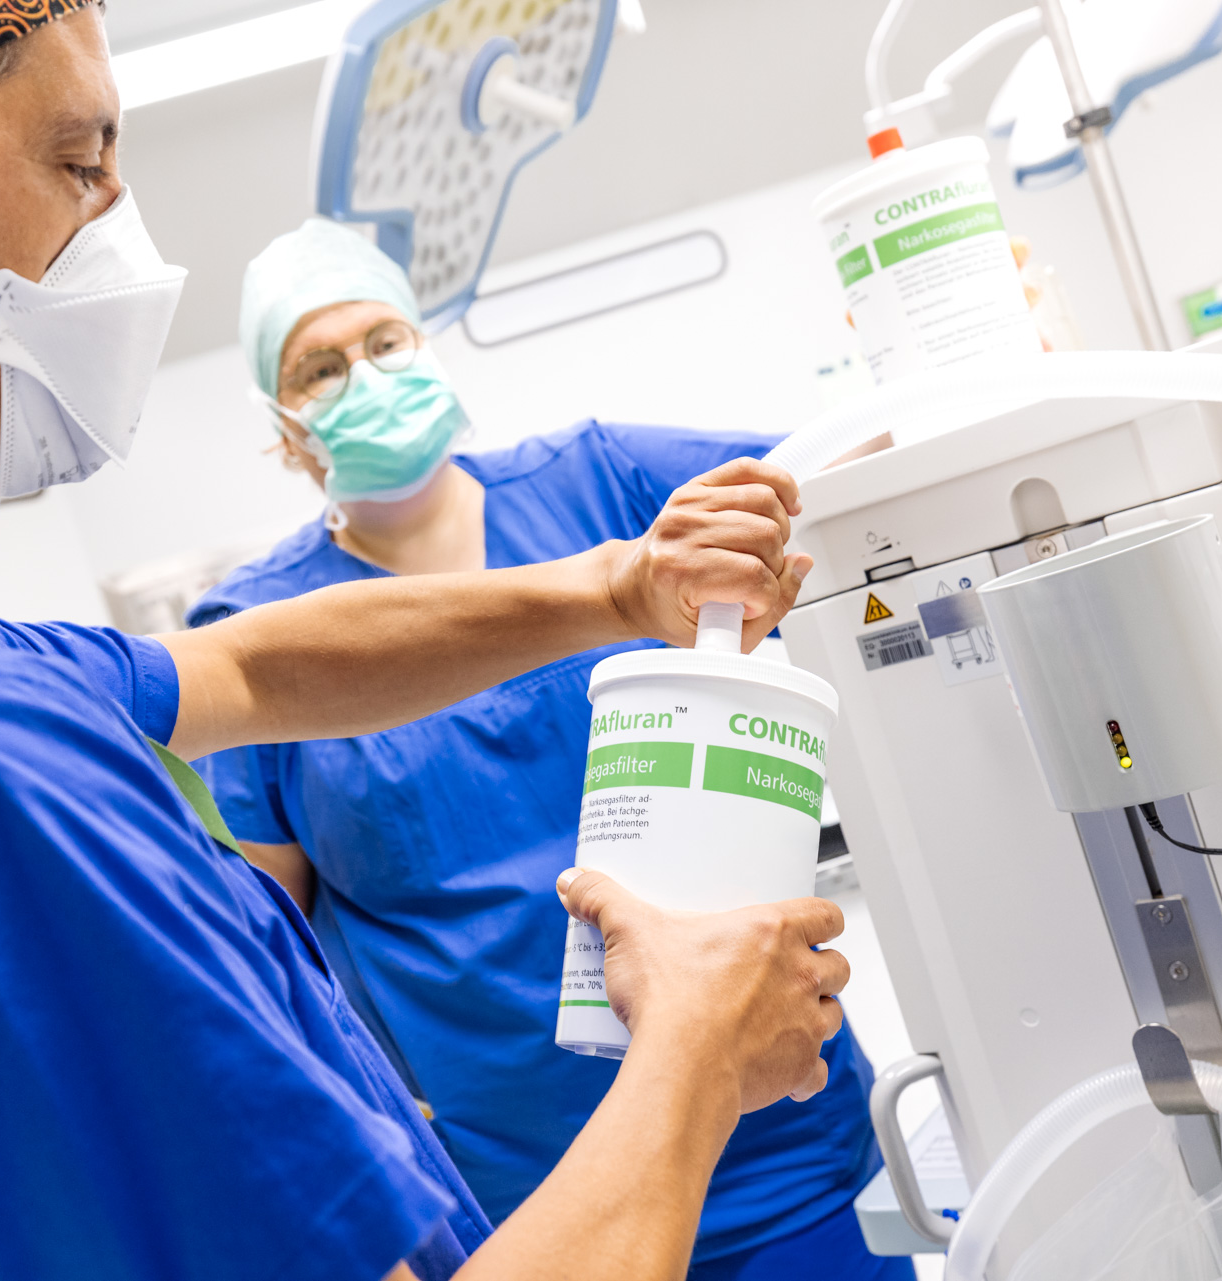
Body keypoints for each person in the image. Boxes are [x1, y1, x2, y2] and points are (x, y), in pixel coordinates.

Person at [0, 5, 849, 1280]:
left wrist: (615, 590)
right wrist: (696, 1051)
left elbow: (252, 669)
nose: (121, 237)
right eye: (76, 165)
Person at [189, 219, 912, 1280]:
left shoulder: (606, 488)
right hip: (526, 1198)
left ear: (428, 346)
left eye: (386, 343)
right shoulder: (263, 638)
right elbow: (265, 956)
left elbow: (839, 478)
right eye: (322, 368)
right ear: (286, 431)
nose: (368, 377)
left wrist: (936, 359)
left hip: (764, 1148)